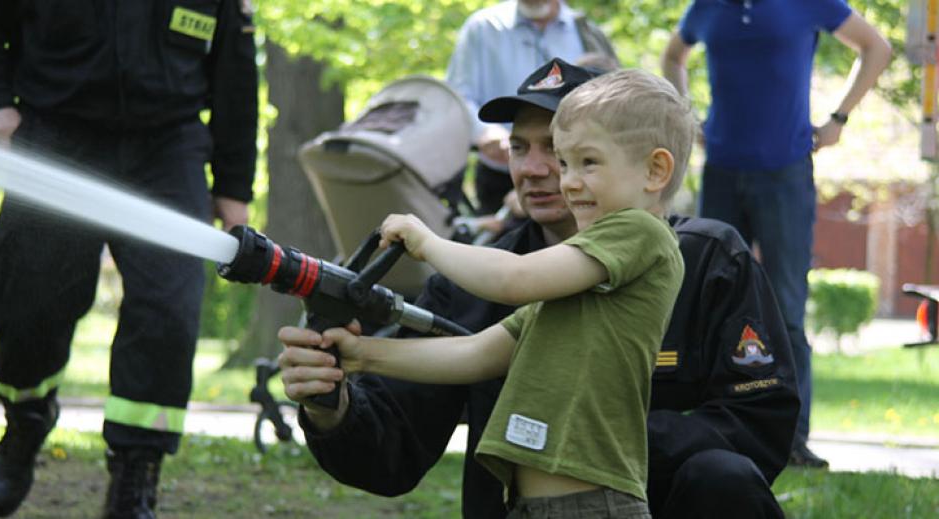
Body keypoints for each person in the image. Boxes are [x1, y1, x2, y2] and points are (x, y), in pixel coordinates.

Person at [281, 59, 799, 519]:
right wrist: (342, 378)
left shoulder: (701, 256)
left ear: (649, 167)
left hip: (627, 501)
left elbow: (757, 423)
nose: (539, 170)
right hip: (520, 505)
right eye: (518, 147)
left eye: (567, 152)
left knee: (722, 478)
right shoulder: (479, 277)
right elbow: (447, 382)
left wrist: (584, 442)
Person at [0, 1, 258, 517]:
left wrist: (233, 188)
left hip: (168, 148)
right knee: (29, 301)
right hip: (55, 134)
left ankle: (137, 473)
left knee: (168, 311)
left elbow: (235, 69)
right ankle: (26, 418)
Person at [661, 0, 891, 468]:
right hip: (722, 169)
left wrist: (838, 120)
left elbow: (876, 47)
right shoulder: (706, 7)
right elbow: (672, 57)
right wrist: (686, 116)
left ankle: (791, 440)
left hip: (785, 171)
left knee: (786, 308)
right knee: (704, 304)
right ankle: (711, 426)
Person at [447, 0, 618, 215]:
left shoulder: (585, 30)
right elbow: (457, 94)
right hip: (501, 172)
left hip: (573, 173)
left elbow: (613, 99)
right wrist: (483, 131)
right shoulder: (484, 26)